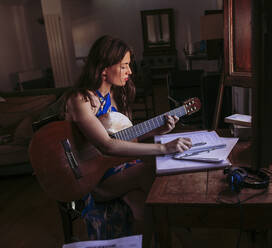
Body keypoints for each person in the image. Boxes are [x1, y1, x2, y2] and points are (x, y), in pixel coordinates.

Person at [64, 35, 192, 243]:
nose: (130, 72)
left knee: (144, 206)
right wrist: (163, 148)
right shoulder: (81, 100)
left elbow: (123, 138)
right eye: (124, 66)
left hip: (119, 168)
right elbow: (106, 145)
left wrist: (155, 131)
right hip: (94, 178)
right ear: (104, 68)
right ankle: (178, 232)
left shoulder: (114, 95)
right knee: (150, 169)